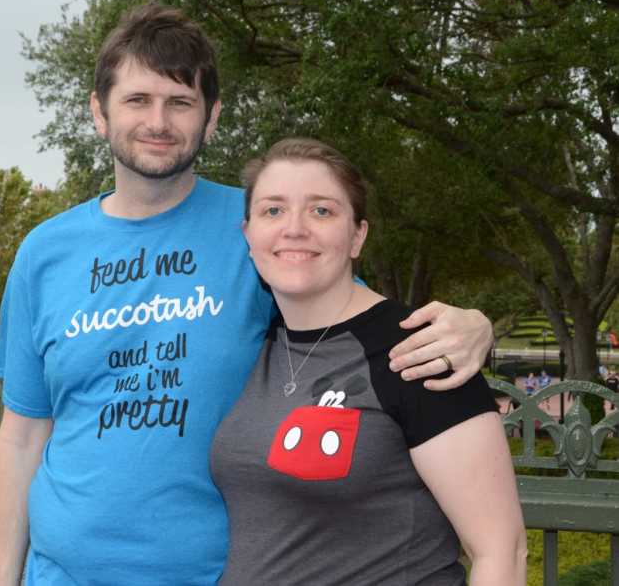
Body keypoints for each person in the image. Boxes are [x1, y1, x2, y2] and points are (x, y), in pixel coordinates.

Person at [0, 4, 496, 586]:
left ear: (211, 118)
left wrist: (475, 326)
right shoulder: (43, 253)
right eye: (137, 100)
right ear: (99, 113)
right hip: (59, 575)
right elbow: (23, 435)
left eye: (180, 102)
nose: (158, 121)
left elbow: (364, 327)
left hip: (218, 573)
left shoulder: (263, 227)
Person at [211, 138, 526, 585]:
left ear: (357, 234)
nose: (294, 228)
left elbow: (501, 551)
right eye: (273, 210)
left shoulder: (419, 351)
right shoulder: (252, 346)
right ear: (248, 234)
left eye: (322, 210)